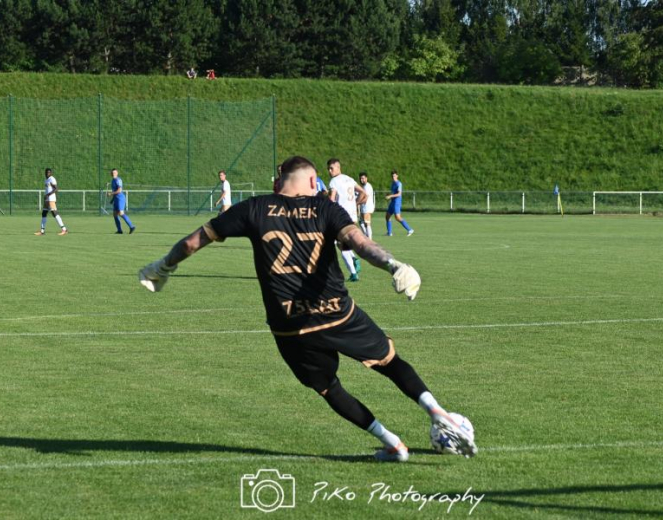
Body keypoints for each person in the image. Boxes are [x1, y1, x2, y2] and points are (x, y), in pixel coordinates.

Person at [138, 155, 477, 462]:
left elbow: (192, 242)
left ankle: (392, 444)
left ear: (279, 181)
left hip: (291, 326)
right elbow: (360, 243)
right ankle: (436, 411)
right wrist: (394, 265)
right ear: (314, 182)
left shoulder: (253, 208)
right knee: (389, 361)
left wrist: (163, 266)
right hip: (337, 313)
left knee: (329, 388)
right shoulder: (325, 208)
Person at [327, 158, 366, 282]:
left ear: (338, 167)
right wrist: (356, 203)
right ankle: (354, 259)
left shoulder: (334, 181)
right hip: (352, 217)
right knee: (342, 243)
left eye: (331, 168)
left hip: (341, 217)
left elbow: (332, 200)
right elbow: (364, 193)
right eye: (328, 169)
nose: (329, 171)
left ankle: (354, 273)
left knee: (340, 244)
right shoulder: (349, 179)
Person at [34, 168, 67, 236]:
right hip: (47, 199)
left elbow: (56, 189)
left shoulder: (52, 179)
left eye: (49, 172)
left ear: (51, 173)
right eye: (46, 172)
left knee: (54, 213)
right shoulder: (46, 180)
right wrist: (46, 196)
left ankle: (64, 229)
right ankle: (42, 231)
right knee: (44, 213)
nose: (47, 173)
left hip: (51, 199)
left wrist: (48, 195)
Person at [385, 170, 414, 237]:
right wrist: (389, 195)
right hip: (392, 202)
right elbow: (393, 193)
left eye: (394, 176)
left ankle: (410, 229)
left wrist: (390, 196)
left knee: (397, 217)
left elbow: (399, 194)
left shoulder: (399, 184)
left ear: (397, 176)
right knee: (387, 216)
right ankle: (389, 233)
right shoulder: (392, 183)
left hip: (397, 203)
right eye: (392, 176)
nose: (393, 177)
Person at [108, 168, 135, 234]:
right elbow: (115, 191)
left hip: (120, 198)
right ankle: (119, 230)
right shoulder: (113, 180)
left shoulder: (118, 180)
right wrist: (112, 200)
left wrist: (111, 194)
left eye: (114, 172)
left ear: (117, 173)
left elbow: (119, 190)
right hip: (116, 199)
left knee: (121, 213)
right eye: (112, 173)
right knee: (115, 214)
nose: (113, 174)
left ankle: (131, 226)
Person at [358, 171, 375, 238]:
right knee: (361, 222)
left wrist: (357, 203)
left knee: (367, 223)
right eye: (361, 178)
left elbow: (365, 199)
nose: (362, 180)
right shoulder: (363, 186)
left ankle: (369, 239)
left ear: (366, 178)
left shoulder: (367, 186)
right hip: (363, 207)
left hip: (367, 207)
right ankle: (366, 235)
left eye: (363, 178)